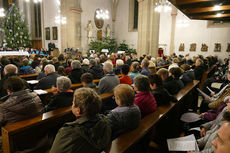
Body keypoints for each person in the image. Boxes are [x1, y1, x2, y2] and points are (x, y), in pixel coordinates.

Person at [50, 88, 111, 153]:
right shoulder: (105, 121)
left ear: (78, 111)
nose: (72, 105)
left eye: (73, 103)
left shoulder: (68, 132)